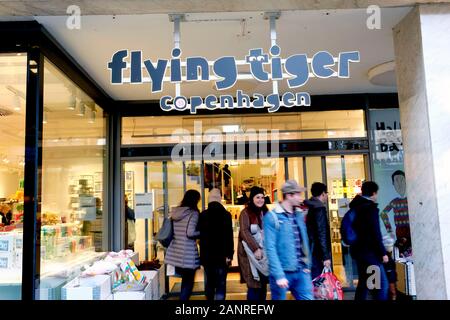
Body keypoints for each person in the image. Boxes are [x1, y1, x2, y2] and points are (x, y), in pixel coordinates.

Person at [263, 180, 313, 300]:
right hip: (282, 272)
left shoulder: (299, 215)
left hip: (301, 270)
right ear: (289, 195)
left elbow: (304, 240)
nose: (301, 198)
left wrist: (307, 264)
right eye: (298, 194)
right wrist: (279, 275)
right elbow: (270, 248)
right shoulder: (272, 217)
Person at [350, 181, 389, 301]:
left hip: (358, 252)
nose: (377, 196)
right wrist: (383, 252)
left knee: (364, 283)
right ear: (373, 193)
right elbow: (375, 233)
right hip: (370, 254)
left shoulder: (355, 207)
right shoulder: (370, 209)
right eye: (376, 193)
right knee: (381, 285)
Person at [165, 190, 201, 300]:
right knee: (188, 284)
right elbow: (190, 233)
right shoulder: (193, 213)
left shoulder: (176, 212)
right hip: (188, 254)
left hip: (176, 251)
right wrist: (202, 232)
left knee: (184, 282)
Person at [199, 188, 234, 301]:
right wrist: (230, 255)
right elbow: (229, 237)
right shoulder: (226, 215)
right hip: (222, 256)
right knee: (221, 284)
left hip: (207, 256)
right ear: (219, 199)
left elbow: (200, 236)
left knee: (210, 282)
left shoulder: (203, 215)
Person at [238, 186, 269, 301]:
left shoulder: (265, 212)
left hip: (264, 255)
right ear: (252, 198)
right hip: (249, 255)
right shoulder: (245, 213)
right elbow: (244, 231)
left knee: (263, 284)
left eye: (262, 197)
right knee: (254, 285)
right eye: (257, 197)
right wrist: (256, 248)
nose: (260, 200)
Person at [380, 170, 411, 256]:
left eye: (401, 180)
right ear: (393, 184)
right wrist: (389, 230)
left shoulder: (411, 199)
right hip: (400, 232)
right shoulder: (395, 201)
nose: (399, 184)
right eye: (396, 181)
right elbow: (383, 214)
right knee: (402, 252)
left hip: (411, 230)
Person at [304, 182, 332, 280]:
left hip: (308, 250)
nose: (327, 196)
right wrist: (326, 256)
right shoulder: (319, 209)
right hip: (316, 252)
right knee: (317, 283)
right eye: (326, 193)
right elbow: (322, 233)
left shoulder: (309, 206)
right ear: (323, 193)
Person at [382, 235, 398, 300]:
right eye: (391, 246)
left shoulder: (384, 256)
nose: (392, 247)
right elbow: (391, 280)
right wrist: (394, 293)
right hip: (388, 285)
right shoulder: (388, 259)